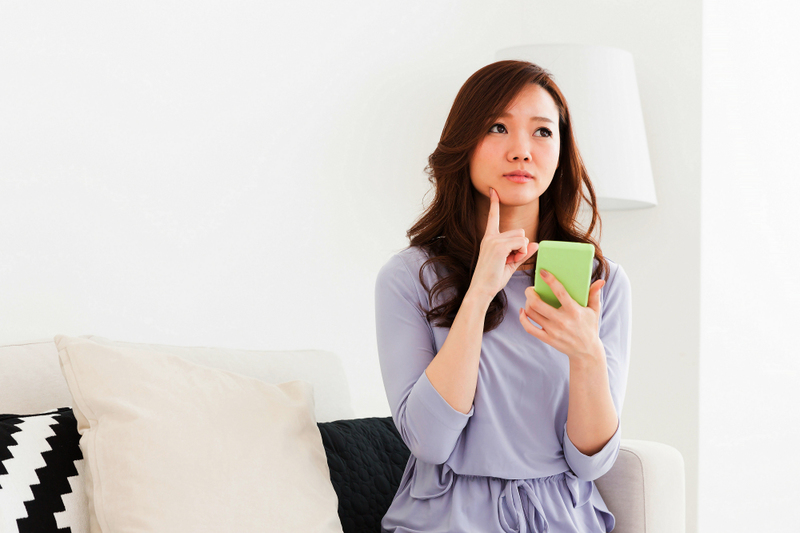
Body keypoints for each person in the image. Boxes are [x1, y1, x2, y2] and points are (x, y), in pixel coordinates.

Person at [374, 60, 632, 533]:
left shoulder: (602, 281)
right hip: (446, 519)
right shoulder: (409, 276)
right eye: (498, 127)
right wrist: (478, 295)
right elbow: (430, 443)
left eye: (542, 132)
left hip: (561, 519)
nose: (521, 151)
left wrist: (587, 354)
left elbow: (592, 463)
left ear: (561, 150)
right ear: (465, 143)